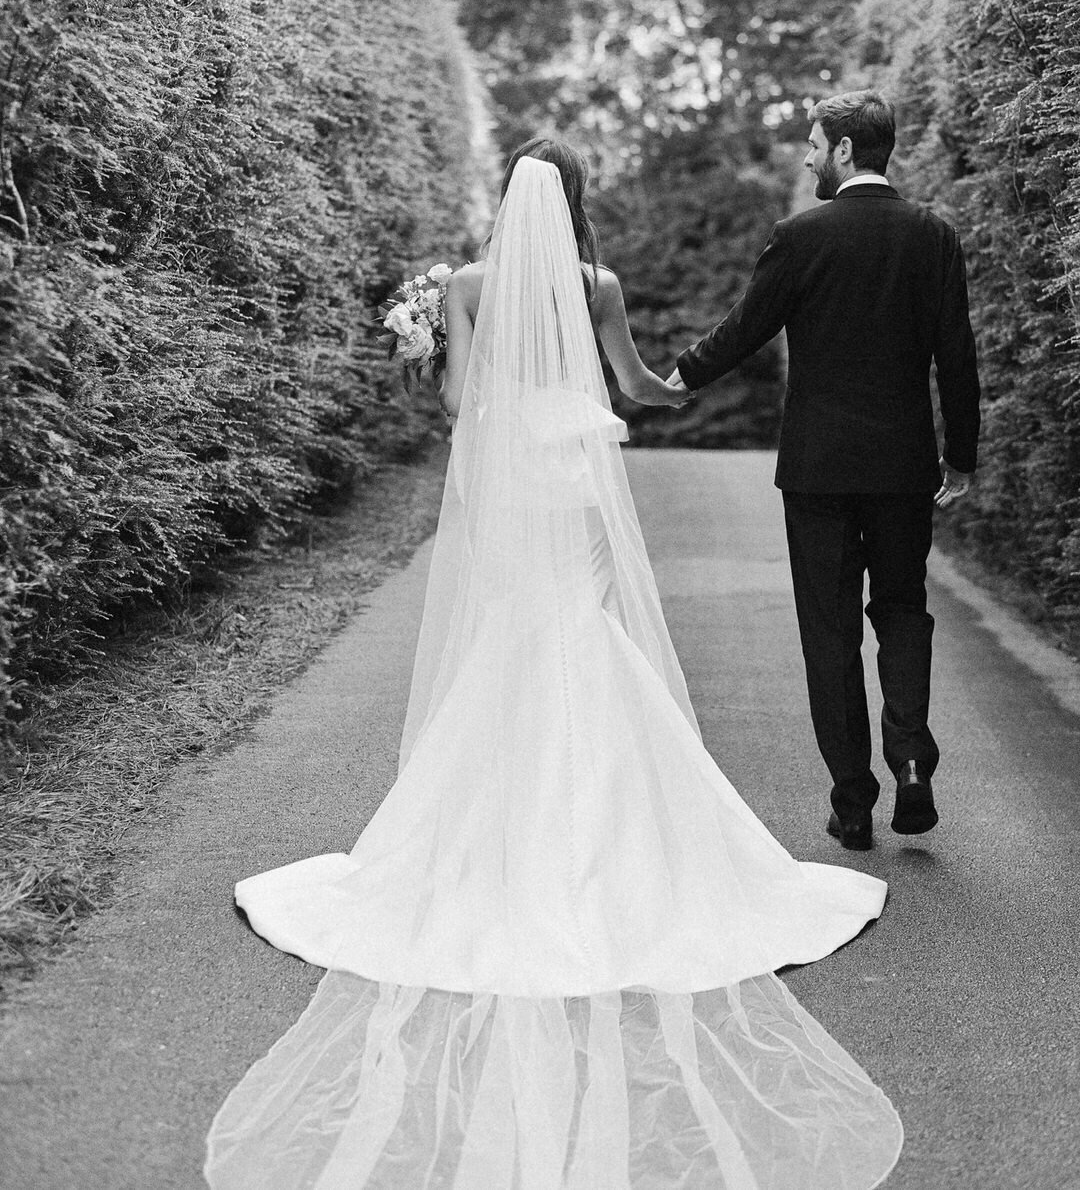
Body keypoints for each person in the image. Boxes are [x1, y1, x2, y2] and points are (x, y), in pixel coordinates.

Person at [205, 139, 903, 1189]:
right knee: (585, 631)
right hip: (574, 478)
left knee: (511, 640)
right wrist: (680, 386)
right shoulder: (601, 284)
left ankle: (496, 839)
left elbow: (459, 410)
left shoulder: (472, 284)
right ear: (574, 201)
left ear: (506, 202)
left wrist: (430, 354)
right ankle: (615, 842)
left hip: (510, 485)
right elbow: (634, 387)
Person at [670, 91, 981, 853]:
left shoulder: (800, 235)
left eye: (813, 144)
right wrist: (961, 455)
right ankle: (910, 761)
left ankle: (853, 804)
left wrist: (678, 377)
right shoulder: (933, 236)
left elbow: (748, 326)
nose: (807, 157)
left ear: (844, 150)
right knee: (904, 610)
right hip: (904, 467)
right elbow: (957, 354)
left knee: (830, 631)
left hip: (817, 471)